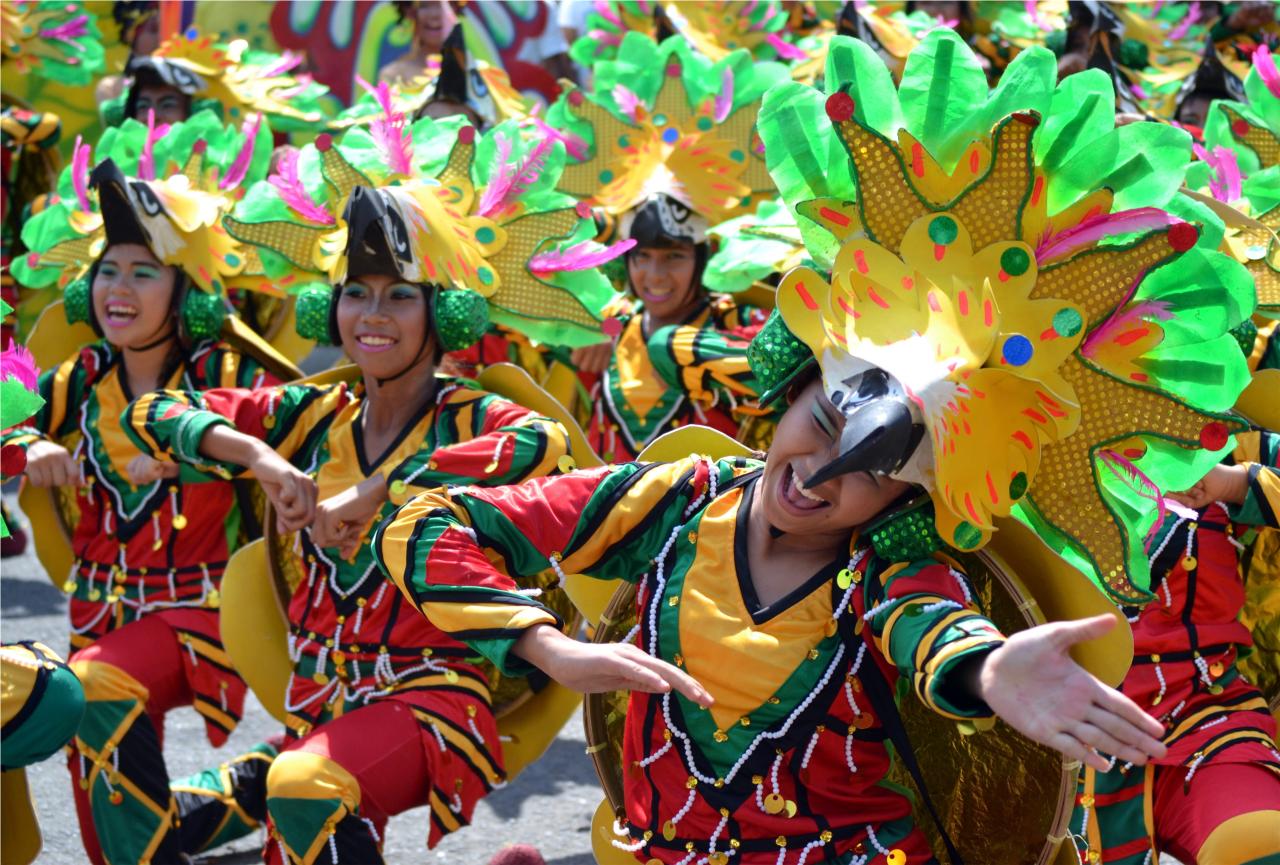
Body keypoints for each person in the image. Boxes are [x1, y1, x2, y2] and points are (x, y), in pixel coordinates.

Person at [379, 29, 1263, 863]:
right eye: (829, 422)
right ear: (792, 385)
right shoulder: (677, 499)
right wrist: (551, 648)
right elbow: (431, 523)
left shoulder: (886, 563)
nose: (825, 475)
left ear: (905, 501)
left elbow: (931, 626)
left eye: (879, 470)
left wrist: (987, 668)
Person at [123, 110, 626, 864]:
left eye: (400, 295)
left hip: (434, 701)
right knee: (166, 814)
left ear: (444, 311)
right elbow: (153, 410)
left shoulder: (472, 416)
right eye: (357, 292)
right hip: (324, 703)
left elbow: (543, 443)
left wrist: (377, 493)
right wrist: (262, 459)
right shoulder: (317, 414)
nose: (373, 315)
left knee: (303, 787)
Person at [4, 115, 295, 864]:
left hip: (201, 612)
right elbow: (9, 421)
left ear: (186, 288)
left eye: (143, 271)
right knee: (110, 784)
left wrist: (207, 460)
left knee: (93, 689)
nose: (118, 289)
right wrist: (32, 444)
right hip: (99, 606)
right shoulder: (77, 379)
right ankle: (257, 785)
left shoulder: (226, 380)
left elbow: (292, 445)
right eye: (108, 269)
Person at [545, 32, 788, 457]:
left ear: (702, 256)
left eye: (673, 257)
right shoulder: (609, 322)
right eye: (642, 258)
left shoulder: (739, 321)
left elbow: (786, 375)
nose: (654, 276)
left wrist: (674, 349)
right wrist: (588, 330)